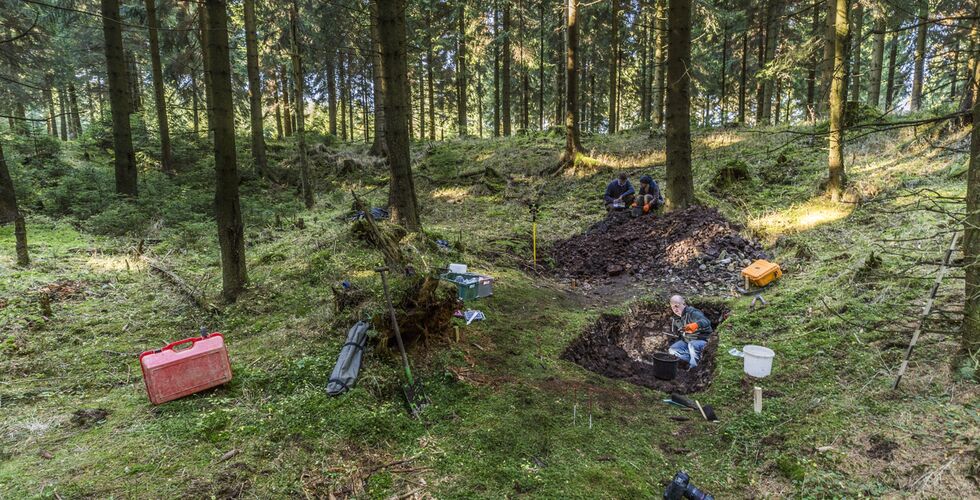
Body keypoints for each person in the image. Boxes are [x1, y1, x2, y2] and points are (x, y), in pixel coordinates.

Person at [667, 295, 713, 368]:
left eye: (677, 306)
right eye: (673, 307)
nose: (675, 309)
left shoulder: (692, 313)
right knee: (673, 349)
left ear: (684, 304)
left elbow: (706, 321)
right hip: (688, 342)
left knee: (693, 345)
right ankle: (694, 363)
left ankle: (694, 369)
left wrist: (695, 325)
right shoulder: (676, 319)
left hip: (703, 341)